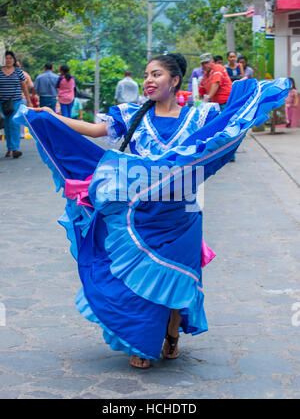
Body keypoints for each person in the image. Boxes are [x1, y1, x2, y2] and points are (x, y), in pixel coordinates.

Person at [19, 53, 290, 370]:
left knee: (178, 274)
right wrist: (51, 116)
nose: (148, 80)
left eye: (156, 74)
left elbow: (229, 128)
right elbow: (94, 131)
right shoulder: (131, 115)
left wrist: (255, 95)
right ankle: (143, 341)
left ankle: (172, 334)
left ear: (175, 80)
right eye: (146, 74)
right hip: (139, 215)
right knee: (140, 277)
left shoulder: (199, 118)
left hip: (182, 213)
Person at [0, 50, 32, 158]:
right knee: (7, 125)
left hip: (16, 101)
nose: (8, 60)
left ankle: (14, 149)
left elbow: (24, 86)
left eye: (10, 58)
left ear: (14, 60)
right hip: (2, 102)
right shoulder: (0, 71)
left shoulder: (18, 71)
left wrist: (28, 100)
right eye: (6, 58)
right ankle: (10, 148)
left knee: (14, 123)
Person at [16, 60, 34, 138]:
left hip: (14, 98)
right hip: (22, 97)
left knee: (13, 116)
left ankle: (16, 134)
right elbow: (31, 85)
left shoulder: (10, 73)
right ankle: (21, 134)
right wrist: (25, 88)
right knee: (22, 116)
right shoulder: (25, 74)